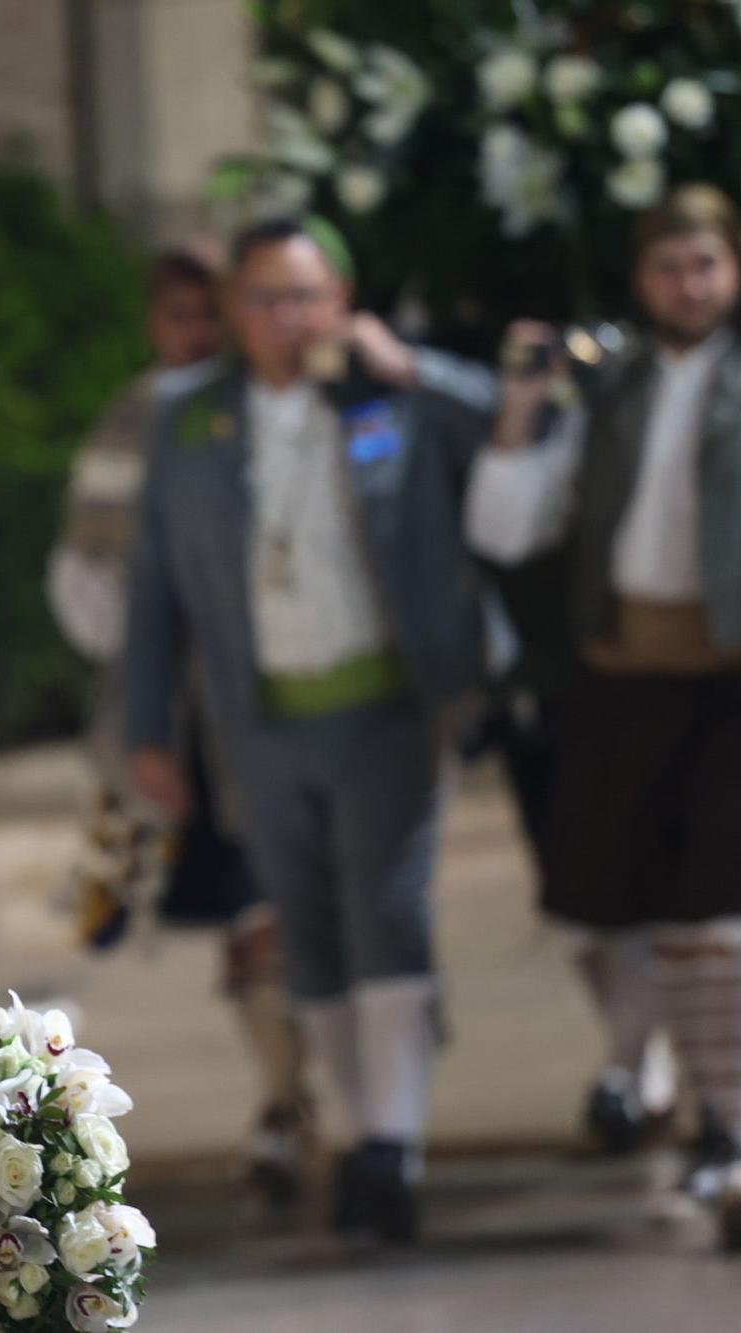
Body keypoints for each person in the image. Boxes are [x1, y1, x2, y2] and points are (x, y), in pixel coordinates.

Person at [122, 217, 500, 1244]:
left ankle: (393, 1140)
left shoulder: (386, 394)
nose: (282, 319)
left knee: (386, 905)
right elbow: (151, 583)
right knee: (308, 921)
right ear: (232, 312)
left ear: (339, 302)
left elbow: (512, 428)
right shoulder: (192, 420)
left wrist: (408, 368)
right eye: (260, 298)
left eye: (302, 296)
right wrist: (145, 727)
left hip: (384, 703)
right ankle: (362, 1133)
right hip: (259, 715)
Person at [469, 184, 741, 1250]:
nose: (689, 285)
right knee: (594, 908)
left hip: (725, 683)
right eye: (669, 267)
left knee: (711, 918)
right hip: (620, 677)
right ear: (640, 278)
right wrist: (517, 407)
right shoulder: (607, 386)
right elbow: (505, 522)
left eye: (707, 264)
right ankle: (658, 1076)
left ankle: (724, 1125)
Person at [48, 244, 312, 1205]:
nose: (194, 335)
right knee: (243, 908)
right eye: (177, 318)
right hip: (174, 711)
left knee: (277, 905)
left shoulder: (269, 404)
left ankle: (293, 1101)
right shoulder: (135, 415)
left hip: (275, 694)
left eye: (211, 315)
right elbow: (89, 568)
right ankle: (287, 1102)